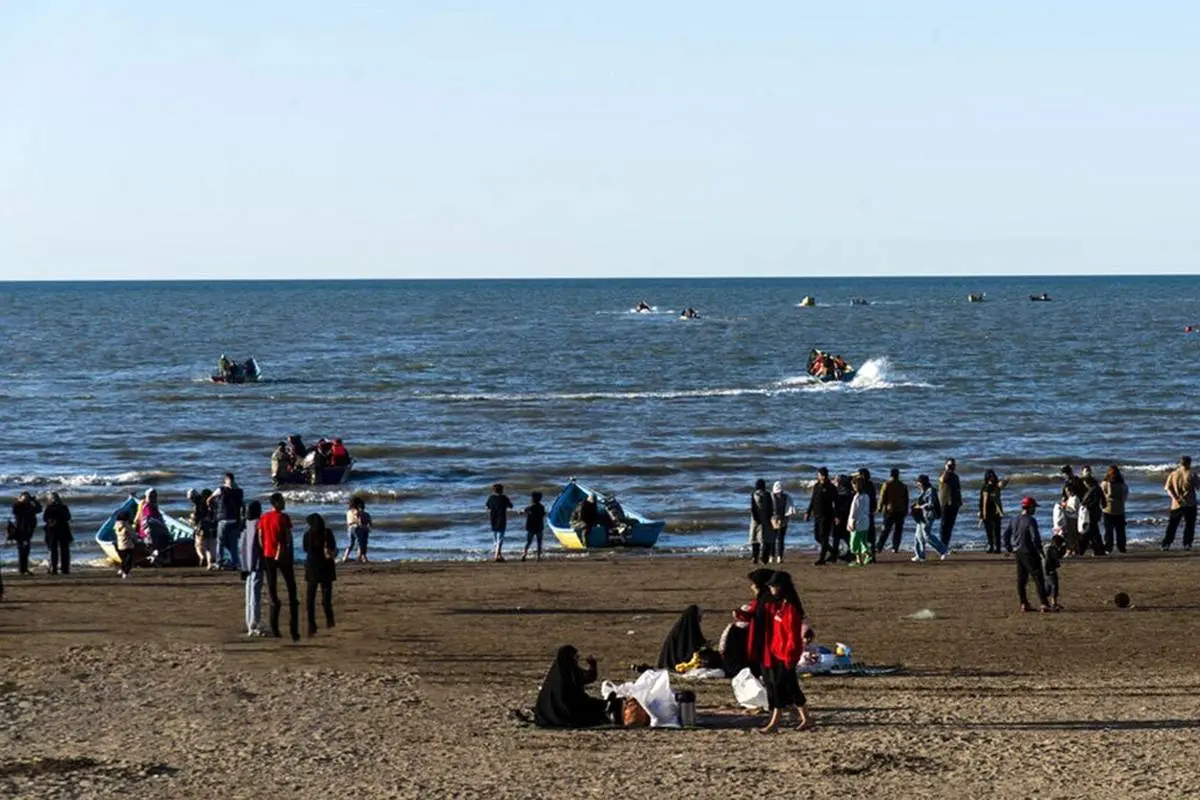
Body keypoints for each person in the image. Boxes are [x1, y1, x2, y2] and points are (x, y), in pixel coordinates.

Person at [759, 572, 812, 733]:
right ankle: (805, 718)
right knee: (788, 686)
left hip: (787, 653)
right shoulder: (780, 604)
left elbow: (792, 634)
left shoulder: (791, 607)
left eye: (773, 586)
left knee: (783, 686)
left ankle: (776, 722)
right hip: (778, 651)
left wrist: (790, 654)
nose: (770, 588)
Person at [532, 645, 609, 728]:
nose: (577, 660)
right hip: (569, 711)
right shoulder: (571, 671)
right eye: (576, 657)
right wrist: (593, 666)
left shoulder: (555, 674)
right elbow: (589, 677)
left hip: (551, 714)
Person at [259, 492, 300, 642]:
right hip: (282, 554)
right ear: (277, 504)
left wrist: (263, 549)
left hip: (268, 553)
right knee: (290, 582)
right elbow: (288, 537)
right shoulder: (283, 517)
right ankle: (292, 601)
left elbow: (260, 535)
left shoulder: (264, 517)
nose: (284, 503)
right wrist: (290, 553)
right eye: (282, 501)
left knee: (272, 583)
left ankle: (274, 602)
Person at [1003, 496, 1051, 613]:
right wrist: (1040, 550)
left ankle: (1024, 603)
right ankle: (1044, 604)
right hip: (1029, 552)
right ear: (1029, 508)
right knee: (1038, 577)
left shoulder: (1014, 519)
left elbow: (1005, 534)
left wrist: (1009, 547)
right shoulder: (1030, 520)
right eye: (1034, 507)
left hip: (1018, 552)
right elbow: (1035, 537)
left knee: (1022, 579)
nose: (1035, 510)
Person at [731, 568, 775, 678]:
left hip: (766, 644)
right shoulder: (764, 600)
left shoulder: (768, 602)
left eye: (754, 584)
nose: (752, 587)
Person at [302, 513, 337, 638]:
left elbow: (305, 549)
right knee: (326, 598)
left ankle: (312, 625)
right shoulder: (328, 533)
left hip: (312, 566)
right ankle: (330, 620)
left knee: (310, 599)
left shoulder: (307, 534)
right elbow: (333, 548)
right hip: (326, 566)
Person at [208, 473, 245, 570]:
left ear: (225, 480)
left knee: (220, 542)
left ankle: (219, 562)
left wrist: (212, 509)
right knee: (233, 543)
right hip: (235, 519)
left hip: (223, 519)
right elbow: (242, 506)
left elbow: (209, 499)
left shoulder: (221, 489)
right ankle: (235, 563)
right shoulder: (239, 491)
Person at [240, 500, 266, 636]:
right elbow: (261, 545)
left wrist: (243, 566)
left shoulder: (246, 525)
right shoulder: (258, 524)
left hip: (247, 565)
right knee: (255, 596)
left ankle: (249, 622)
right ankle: (254, 625)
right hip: (257, 564)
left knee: (249, 594)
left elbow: (242, 547)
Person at [1161, 456, 1197, 551]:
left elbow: (1168, 488)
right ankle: (1187, 544)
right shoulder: (1192, 474)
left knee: (1172, 525)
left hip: (1176, 504)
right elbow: (1198, 487)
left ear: (1180, 463)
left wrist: (1175, 497)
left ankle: (1166, 544)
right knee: (1189, 525)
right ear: (1189, 463)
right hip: (1190, 503)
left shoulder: (1173, 474)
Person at [657, 604, 708, 671]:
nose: (700, 618)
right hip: (678, 660)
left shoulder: (689, 627)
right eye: (699, 616)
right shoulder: (685, 629)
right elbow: (691, 647)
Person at [805, 468, 839, 565]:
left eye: (819, 475)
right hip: (817, 515)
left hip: (827, 516)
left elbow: (836, 503)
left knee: (824, 537)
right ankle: (833, 552)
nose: (818, 476)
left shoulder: (831, 488)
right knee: (817, 537)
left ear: (824, 476)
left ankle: (822, 559)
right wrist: (808, 512)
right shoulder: (816, 486)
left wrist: (837, 516)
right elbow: (812, 500)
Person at [911, 474, 948, 562]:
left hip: (929, 515)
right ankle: (920, 555)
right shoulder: (923, 490)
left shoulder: (931, 491)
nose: (918, 485)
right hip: (921, 515)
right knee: (917, 536)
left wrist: (920, 507)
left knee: (926, 536)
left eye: (919, 483)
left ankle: (943, 550)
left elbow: (931, 504)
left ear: (923, 483)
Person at [136, 489, 172, 566]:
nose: (153, 498)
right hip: (149, 533)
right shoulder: (147, 506)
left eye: (154, 496)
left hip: (150, 531)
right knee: (162, 541)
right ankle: (157, 558)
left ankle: (157, 557)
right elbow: (149, 520)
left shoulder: (149, 505)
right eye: (151, 496)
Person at [876, 468, 909, 554]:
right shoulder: (903, 485)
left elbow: (882, 497)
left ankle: (879, 547)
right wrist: (906, 510)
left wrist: (879, 507)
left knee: (885, 530)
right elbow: (906, 500)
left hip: (890, 510)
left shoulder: (887, 484)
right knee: (898, 530)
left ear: (890, 475)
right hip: (900, 510)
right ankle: (895, 547)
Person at [1077, 466, 1107, 556]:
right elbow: (1103, 501)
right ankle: (1099, 550)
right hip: (1093, 513)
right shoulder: (1096, 487)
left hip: (1090, 513)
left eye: (1085, 481)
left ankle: (1081, 551)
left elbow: (1097, 501)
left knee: (1087, 533)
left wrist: (1085, 505)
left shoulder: (1094, 489)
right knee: (1094, 533)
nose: (1084, 482)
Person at [10, 492, 42, 575]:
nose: (26, 499)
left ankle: (25, 569)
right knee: (22, 550)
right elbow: (14, 510)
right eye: (24, 498)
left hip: (28, 531)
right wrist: (19, 501)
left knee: (26, 551)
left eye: (27, 498)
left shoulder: (30, 506)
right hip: (20, 531)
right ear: (20, 498)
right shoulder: (18, 506)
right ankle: (22, 570)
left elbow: (39, 509)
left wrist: (34, 501)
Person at [42, 493, 72, 575]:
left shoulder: (61, 507)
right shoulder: (51, 508)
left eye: (54, 498)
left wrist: (55, 520)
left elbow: (68, 517)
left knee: (61, 550)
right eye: (53, 498)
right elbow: (45, 518)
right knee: (54, 550)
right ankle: (55, 568)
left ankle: (62, 568)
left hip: (59, 530)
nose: (54, 500)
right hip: (54, 531)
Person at [1101, 465, 1129, 554]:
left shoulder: (1105, 483)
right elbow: (1125, 496)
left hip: (1107, 510)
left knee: (1109, 531)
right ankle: (1121, 547)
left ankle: (1108, 548)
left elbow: (1101, 495)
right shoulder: (1122, 484)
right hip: (1119, 510)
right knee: (1120, 531)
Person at [187, 489, 217, 570]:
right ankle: (210, 563)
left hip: (201, 528)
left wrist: (190, 521)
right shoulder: (211, 503)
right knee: (211, 546)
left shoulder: (197, 505)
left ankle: (201, 556)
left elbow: (196, 518)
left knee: (198, 545)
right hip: (213, 526)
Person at [978, 470, 1006, 554]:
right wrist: (982, 512)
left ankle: (997, 546)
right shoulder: (985, 487)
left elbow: (1004, 483)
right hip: (987, 510)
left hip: (996, 510)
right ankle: (991, 545)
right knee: (989, 530)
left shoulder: (996, 486)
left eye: (993, 476)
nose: (991, 478)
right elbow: (982, 501)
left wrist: (1004, 480)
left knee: (997, 529)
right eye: (990, 477)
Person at [847, 476, 871, 567]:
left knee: (854, 543)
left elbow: (854, 511)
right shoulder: (866, 496)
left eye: (854, 485)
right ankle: (863, 557)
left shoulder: (857, 497)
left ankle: (862, 558)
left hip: (857, 522)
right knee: (862, 540)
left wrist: (851, 522)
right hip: (865, 521)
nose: (853, 487)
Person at [938, 459, 963, 548]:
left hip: (954, 504)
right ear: (945, 465)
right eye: (949, 465)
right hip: (944, 503)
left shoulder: (956, 476)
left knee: (950, 525)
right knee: (944, 524)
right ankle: (942, 545)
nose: (951, 467)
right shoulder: (943, 474)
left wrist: (959, 502)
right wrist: (946, 470)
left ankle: (945, 545)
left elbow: (957, 490)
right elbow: (942, 479)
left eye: (953, 465)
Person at [486, 483, 513, 562]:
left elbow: (487, 506)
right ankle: (496, 555)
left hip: (493, 519)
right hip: (502, 519)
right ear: (502, 490)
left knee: (495, 538)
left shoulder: (491, 498)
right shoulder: (504, 498)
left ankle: (498, 554)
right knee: (500, 538)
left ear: (494, 490)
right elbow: (511, 506)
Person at [748, 479, 773, 565]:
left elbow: (753, 507)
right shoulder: (767, 494)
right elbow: (770, 508)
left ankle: (754, 556)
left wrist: (755, 518)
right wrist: (768, 518)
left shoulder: (753, 495)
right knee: (766, 539)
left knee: (755, 539)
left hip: (755, 520)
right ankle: (764, 558)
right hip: (765, 519)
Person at [768, 481, 793, 564]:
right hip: (773, 519)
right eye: (777, 492)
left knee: (781, 539)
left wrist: (787, 515)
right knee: (772, 539)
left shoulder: (787, 497)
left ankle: (779, 557)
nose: (778, 494)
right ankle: (771, 556)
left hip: (783, 519)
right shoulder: (770, 497)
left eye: (780, 492)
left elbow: (790, 508)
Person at [856, 468, 878, 560]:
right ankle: (872, 555)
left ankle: (863, 554)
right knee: (871, 535)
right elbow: (874, 499)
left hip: (862, 513)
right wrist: (874, 509)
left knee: (861, 534)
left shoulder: (861, 485)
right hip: (869, 512)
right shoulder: (871, 485)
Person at [342, 497, 372, 564]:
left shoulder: (349, 512)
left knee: (351, 544)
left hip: (350, 528)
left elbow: (348, 522)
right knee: (360, 544)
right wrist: (361, 524)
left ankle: (345, 557)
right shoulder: (357, 511)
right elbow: (359, 521)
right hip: (357, 528)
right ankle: (359, 558)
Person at [521, 491, 547, 562]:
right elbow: (543, 514)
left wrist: (522, 512)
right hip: (539, 526)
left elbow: (523, 512)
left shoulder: (529, 507)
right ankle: (538, 557)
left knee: (528, 541)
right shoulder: (541, 507)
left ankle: (524, 554)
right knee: (539, 542)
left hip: (531, 526)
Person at [1044, 534, 1066, 611]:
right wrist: (1063, 549)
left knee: (1047, 587)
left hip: (1043, 570)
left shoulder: (1046, 547)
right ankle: (1053, 603)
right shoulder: (1053, 549)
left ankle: (1044, 602)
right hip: (1050, 570)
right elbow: (1057, 556)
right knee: (1054, 585)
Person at [833, 474, 853, 561]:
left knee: (839, 536)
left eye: (836, 480)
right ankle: (848, 553)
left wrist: (837, 516)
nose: (834, 481)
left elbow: (839, 507)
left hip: (842, 517)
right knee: (844, 536)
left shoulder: (842, 493)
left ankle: (837, 554)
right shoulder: (849, 492)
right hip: (846, 517)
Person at [114, 509, 136, 579]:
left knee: (124, 559)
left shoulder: (116, 525)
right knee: (129, 561)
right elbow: (132, 534)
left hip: (120, 545)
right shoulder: (126, 525)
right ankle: (126, 573)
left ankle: (121, 570)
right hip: (128, 545)